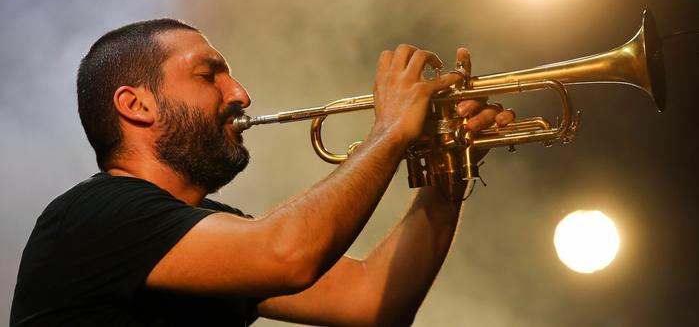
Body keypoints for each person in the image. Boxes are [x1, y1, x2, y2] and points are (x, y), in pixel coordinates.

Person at [10, 19, 514, 326]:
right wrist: (389, 131)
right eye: (209, 75)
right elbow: (288, 254)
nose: (241, 94)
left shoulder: (206, 226)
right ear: (136, 104)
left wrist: (447, 175)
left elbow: (371, 303)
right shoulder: (93, 216)